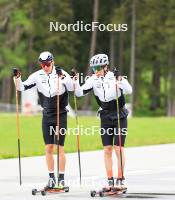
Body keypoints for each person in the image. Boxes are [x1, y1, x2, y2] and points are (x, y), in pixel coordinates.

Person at [13, 51, 81, 189]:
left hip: (60, 114)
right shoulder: (37, 76)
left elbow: (73, 88)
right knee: (48, 147)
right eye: (43, 64)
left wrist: (66, 78)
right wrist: (17, 78)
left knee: (60, 147)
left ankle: (61, 179)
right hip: (47, 114)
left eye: (48, 64)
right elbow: (21, 87)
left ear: (53, 62)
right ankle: (51, 178)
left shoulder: (61, 73)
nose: (45, 67)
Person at [77, 54, 132, 187]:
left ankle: (120, 178)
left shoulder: (114, 76)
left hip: (119, 115)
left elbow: (129, 90)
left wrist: (120, 80)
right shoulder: (92, 79)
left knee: (118, 148)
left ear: (105, 66)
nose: (95, 71)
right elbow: (79, 93)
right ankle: (110, 180)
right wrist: (74, 81)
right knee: (107, 149)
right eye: (93, 68)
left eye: (97, 68)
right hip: (105, 116)